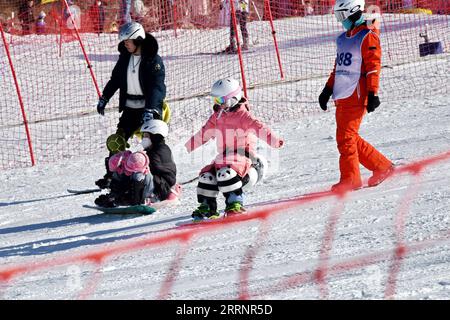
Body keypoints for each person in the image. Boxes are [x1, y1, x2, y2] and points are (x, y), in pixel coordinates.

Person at [318, 0, 393, 193]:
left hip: (357, 93)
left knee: (346, 138)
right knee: (348, 137)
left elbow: (373, 67)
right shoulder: (343, 38)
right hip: (342, 95)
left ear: (352, 13)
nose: (340, 21)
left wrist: (372, 93)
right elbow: (339, 68)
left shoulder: (368, 36)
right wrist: (327, 90)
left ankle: (351, 179)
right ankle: (382, 166)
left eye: (341, 16)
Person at [185, 78, 284, 220]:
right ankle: (207, 206)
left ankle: (234, 203)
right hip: (224, 156)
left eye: (220, 100)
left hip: (243, 156)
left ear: (233, 99)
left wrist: (275, 141)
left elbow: (260, 128)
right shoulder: (217, 116)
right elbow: (204, 132)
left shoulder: (244, 116)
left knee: (226, 173)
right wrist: (188, 146)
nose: (218, 104)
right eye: (216, 101)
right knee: (207, 175)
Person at [95, 21, 166, 189]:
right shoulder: (125, 58)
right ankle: (112, 175)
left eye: (127, 40)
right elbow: (115, 80)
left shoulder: (153, 61)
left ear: (138, 39)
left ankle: (159, 176)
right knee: (117, 141)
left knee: (152, 143)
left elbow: (158, 87)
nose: (124, 44)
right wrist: (104, 97)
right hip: (130, 109)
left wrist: (151, 109)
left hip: (148, 109)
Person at [95, 119, 179, 208]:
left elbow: (152, 167)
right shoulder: (151, 150)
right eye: (143, 136)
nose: (143, 138)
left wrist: (132, 163)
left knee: (139, 167)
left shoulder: (162, 150)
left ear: (156, 136)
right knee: (124, 166)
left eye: (146, 136)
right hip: (153, 185)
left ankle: (136, 200)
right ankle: (114, 196)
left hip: (160, 190)